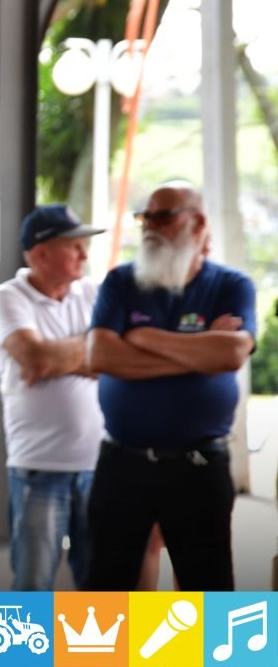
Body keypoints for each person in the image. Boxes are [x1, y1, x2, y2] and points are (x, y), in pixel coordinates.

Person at [86, 181, 255, 590]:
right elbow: (101, 356)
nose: (149, 225)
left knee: (207, 590)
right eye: (145, 216)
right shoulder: (120, 282)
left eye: (163, 216)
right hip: (122, 463)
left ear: (198, 223)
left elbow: (232, 354)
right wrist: (199, 350)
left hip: (199, 466)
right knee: (104, 594)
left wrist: (142, 338)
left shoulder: (231, 285)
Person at [0, 204, 105, 590]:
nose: (84, 254)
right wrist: (89, 349)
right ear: (40, 253)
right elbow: (35, 358)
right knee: (32, 587)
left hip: (98, 464)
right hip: (38, 465)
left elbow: (117, 356)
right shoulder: (6, 297)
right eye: (74, 245)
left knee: (101, 584)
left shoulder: (93, 292)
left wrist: (58, 358)